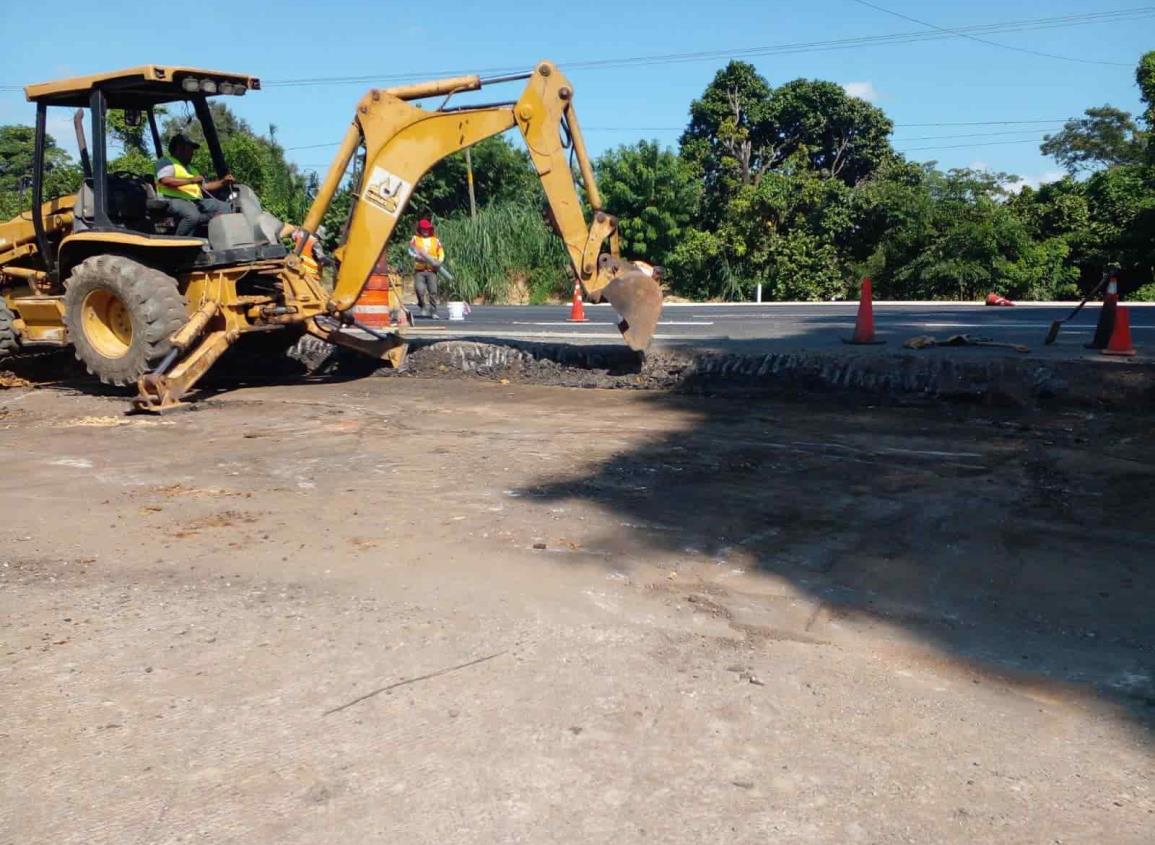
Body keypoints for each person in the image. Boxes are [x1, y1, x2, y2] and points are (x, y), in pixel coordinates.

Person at [155, 133, 235, 237]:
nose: (193, 153)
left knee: (227, 208)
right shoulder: (166, 162)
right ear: (179, 148)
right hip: (173, 199)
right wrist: (191, 180)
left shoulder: (192, 169)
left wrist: (223, 182)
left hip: (196, 201)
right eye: (190, 149)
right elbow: (165, 180)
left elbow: (205, 187)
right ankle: (177, 243)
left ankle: (212, 238)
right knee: (192, 216)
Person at [409, 218, 445, 318]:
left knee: (433, 291)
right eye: (423, 229)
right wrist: (416, 256)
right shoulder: (415, 239)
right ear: (420, 229)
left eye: (427, 229)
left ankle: (433, 311)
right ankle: (422, 305)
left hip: (431, 270)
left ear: (430, 229)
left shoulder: (435, 240)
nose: (425, 231)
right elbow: (410, 250)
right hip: (419, 270)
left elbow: (441, 252)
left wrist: (439, 261)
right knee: (419, 290)